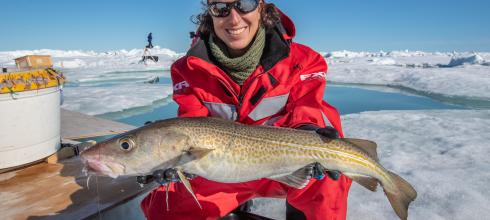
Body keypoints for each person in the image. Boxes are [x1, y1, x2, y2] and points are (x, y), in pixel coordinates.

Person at [140, 0, 352, 219]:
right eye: (220, 8)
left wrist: (309, 129)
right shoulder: (187, 69)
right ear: (210, 13)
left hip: (286, 164)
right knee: (166, 209)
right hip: (224, 172)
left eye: (245, 4)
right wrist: (174, 160)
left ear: (261, 7)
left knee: (329, 184)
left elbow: (307, 108)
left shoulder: (304, 61)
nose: (233, 18)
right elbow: (192, 123)